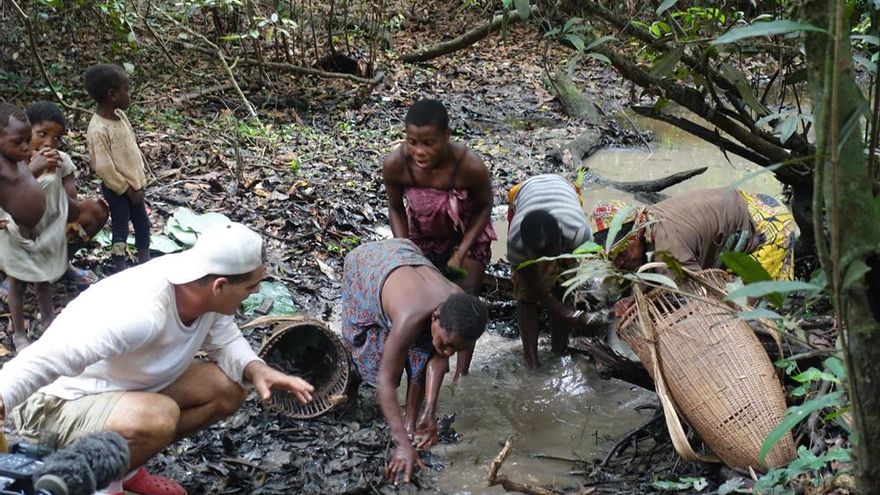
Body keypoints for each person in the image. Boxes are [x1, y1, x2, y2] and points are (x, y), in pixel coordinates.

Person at [0, 222, 315, 495]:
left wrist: (256, 369)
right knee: (158, 418)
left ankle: (125, 467)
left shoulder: (202, 288)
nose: (255, 293)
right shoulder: (140, 311)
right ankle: (100, 484)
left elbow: (224, 337)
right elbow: (47, 357)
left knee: (227, 388)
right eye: (251, 287)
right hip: (56, 405)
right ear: (220, 286)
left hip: (119, 390)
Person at [341, 238, 488, 484]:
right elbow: (386, 383)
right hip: (366, 265)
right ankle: (351, 396)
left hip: (405, 255)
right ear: (435, 316)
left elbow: (436, 355)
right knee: (368, 351)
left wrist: (429, 411)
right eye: (448, 344)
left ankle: (412, 425)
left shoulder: (457, 305)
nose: (449, 353)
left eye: (457, 349)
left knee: (422, 351)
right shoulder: (410, 316)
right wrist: (401, 445)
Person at [381, 99, 495, 378]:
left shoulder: (470, 166)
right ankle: (427, 366)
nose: (420, 151)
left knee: (464, 301)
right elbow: (395, 208)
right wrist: (404, 250)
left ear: (446, 136)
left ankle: (461, 375)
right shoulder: (396, 164)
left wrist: (462, 250)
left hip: (467, 235)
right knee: (423, 303)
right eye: (412, 142)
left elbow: (485, 207)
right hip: (422, 235)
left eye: (429, 143)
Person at [591, 187, 798, 281]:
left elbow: (698, 299)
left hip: (770, 226)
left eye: (622, 255)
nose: (618, 264)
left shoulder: (667, 246)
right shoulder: (649, 219)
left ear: (636, 235)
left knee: (743, 307)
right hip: (751, 203)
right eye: (611, 258)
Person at [0, 103, 77, 351]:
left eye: (56, 139)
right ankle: (19, 333)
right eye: (40, 135)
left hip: (43, 234)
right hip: (15, 235)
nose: (26, 147)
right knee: (17, 285)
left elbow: (70, 206)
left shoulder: (53, 161)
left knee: (44, 281)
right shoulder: (9, 165)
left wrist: (52, 174)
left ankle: (48, 323)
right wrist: (34, 169)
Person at [506, 174, 595, 368]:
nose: (543, 262)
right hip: (525, 192)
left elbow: (589, 268)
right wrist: (562, 311)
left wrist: (563, 306)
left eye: (548, 255)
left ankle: (559, 351)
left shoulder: (580, 233)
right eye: (537, 256)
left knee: (564, 288)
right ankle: (531, 359)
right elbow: (530, 283)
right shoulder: (515, 239)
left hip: (563, 189)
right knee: (525, 296)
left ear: (560, 242)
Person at [26, 101, 109, 285]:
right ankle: (13, 275)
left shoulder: (61, 161)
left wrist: (52, 180)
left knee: (96, 209)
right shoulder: (10, 161)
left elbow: (73, 213)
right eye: (42, 134)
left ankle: (61, 265)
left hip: (50, 230)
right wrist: (31, 173)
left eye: (56, 138)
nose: (49, 143)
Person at [84, 63, 150, 273]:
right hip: (119, 190)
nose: (128, 95)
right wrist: (127, 190)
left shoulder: (121, 117)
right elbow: (104, 168)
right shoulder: (98, 129)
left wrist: (139, 182)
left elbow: (132, 149)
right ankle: (120, 267)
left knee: (143, 225)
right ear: (112, 95)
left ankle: (145, 263)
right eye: (126, 91)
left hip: (135, 187)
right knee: (121, 228)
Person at [0, 103, 46, 238]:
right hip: (9, 235)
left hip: (27, 231)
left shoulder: (17, 159)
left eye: (28, 140)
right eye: (18, 141)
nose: (25, 147)